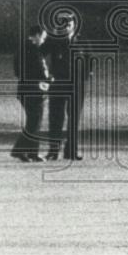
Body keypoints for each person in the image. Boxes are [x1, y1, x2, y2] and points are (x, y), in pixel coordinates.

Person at [46, 16, 91, 161]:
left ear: (74, 25)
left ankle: (71, 150)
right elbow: (40, 52)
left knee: (74, 119)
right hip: (58, 83)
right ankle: (53, 150)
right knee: (55, 118)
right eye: (63, 24)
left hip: (76, 85)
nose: (66, 27)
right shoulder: (54, 40)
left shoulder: (82, 41)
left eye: (69, 24)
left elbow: (89, 60)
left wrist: (84, 78)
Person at [10, 24, 52, 162]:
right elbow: (41, 70)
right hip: (33, 90)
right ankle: (20, 151)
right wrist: (49, 79)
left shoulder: (22, 48)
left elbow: (18, 71)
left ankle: (30, 152)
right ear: (38, 35)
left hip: (24, 89)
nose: (44, 40)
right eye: (43, 37)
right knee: (35, 122)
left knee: (34, 121)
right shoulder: (33, 50)